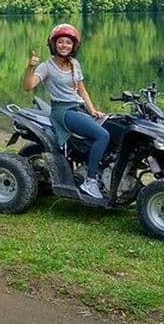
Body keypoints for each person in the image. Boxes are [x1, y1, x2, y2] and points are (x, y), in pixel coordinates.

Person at [23, 23, 108, 200]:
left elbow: (81, 90)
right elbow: (28, 86)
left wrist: (93, 110)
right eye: (60, 42)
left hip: (79, 108)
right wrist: (30, 66)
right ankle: (90, 182)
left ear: (74, 46)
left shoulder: (74, 64)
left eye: (68, 42)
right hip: (63, 111)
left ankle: (98, 171)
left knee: (113, 128)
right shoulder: (46, 66)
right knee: (102, 136)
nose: (64, 45)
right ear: (54, 44)